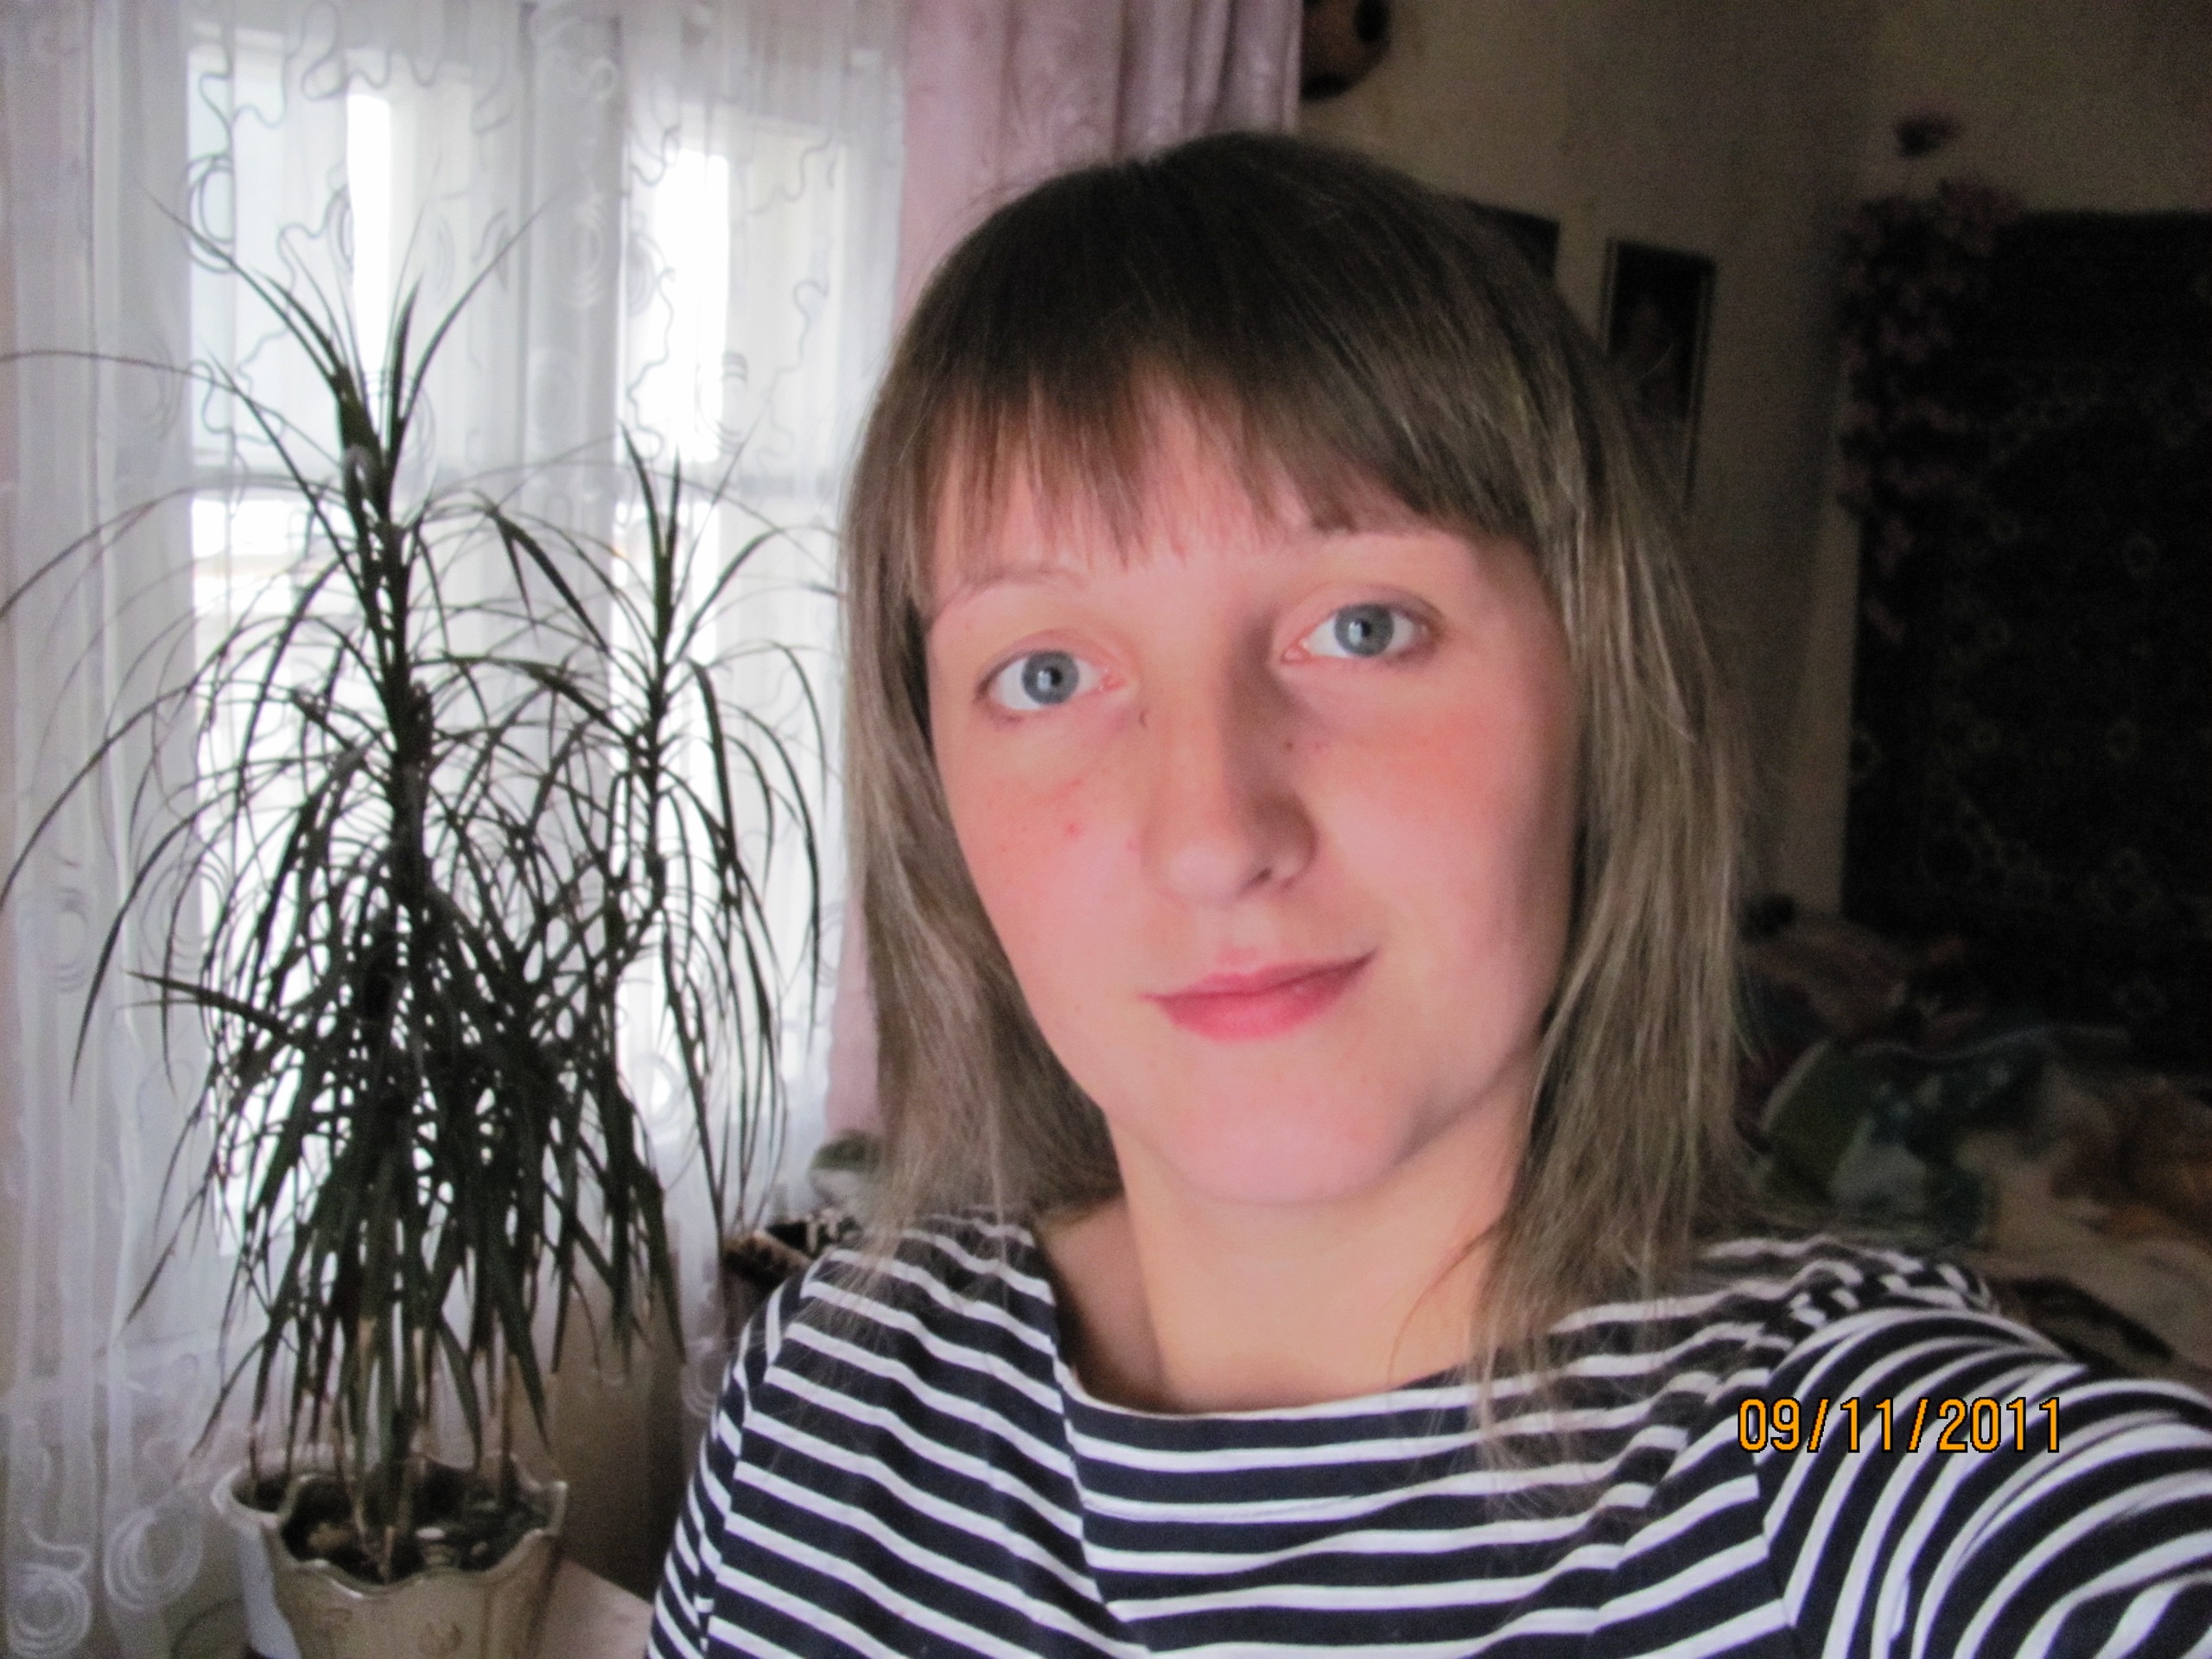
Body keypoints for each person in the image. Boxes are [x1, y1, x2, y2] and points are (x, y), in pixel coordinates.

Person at [650, 134, 2212, 1656]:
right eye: (1046, 672)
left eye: (1365, 628)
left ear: (1600, 694)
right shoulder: (819, 1407)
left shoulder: (1842, 1434)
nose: (1213, 834)